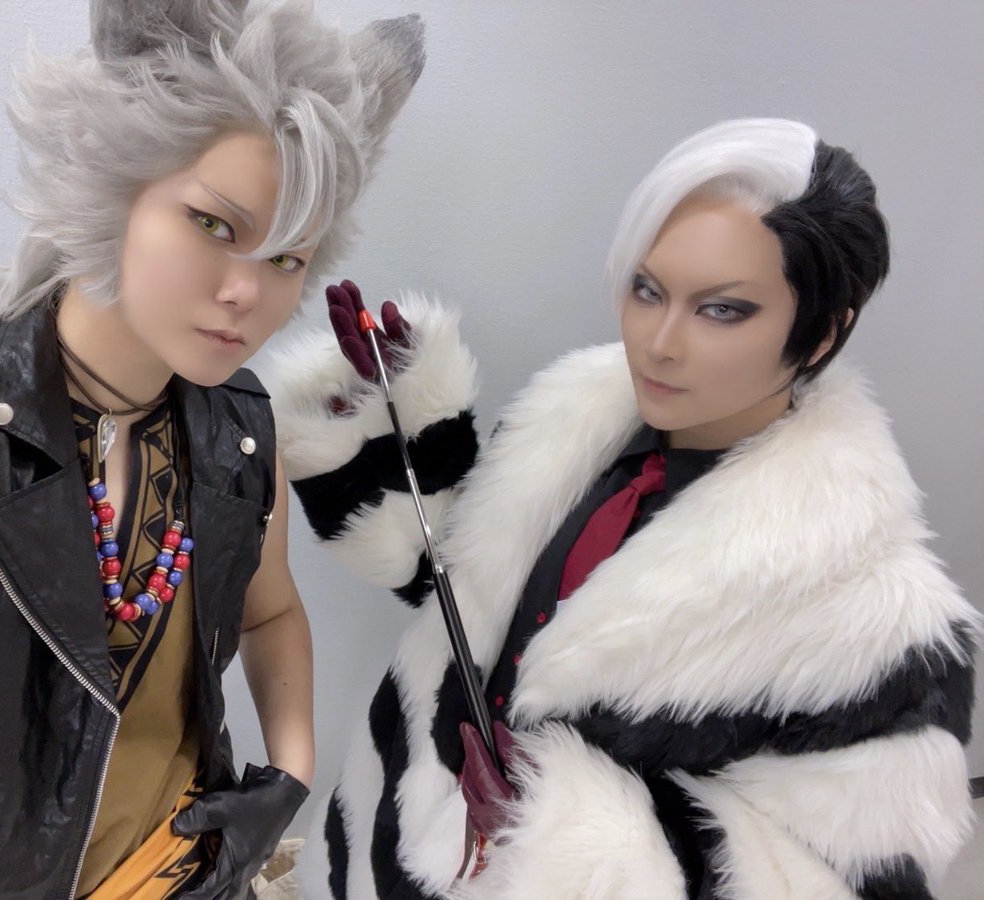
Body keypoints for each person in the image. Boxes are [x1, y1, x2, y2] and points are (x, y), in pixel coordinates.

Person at [0, 1, 423, 896]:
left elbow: (270, 612)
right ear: (112, 185)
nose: (247, 291)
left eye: (288, 258)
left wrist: (289, 776)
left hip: (174, 870)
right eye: (214, 224)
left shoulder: (238, 429)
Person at [266, 118, 980, 898]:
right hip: (386, 843)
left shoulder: (885, 631)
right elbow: (455, 596)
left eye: (723, 310)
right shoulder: (568, 431)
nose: (659, 342)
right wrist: (388, 425)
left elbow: (845, 877)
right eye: (648, 290)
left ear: (819, 335)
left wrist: (567, 844)